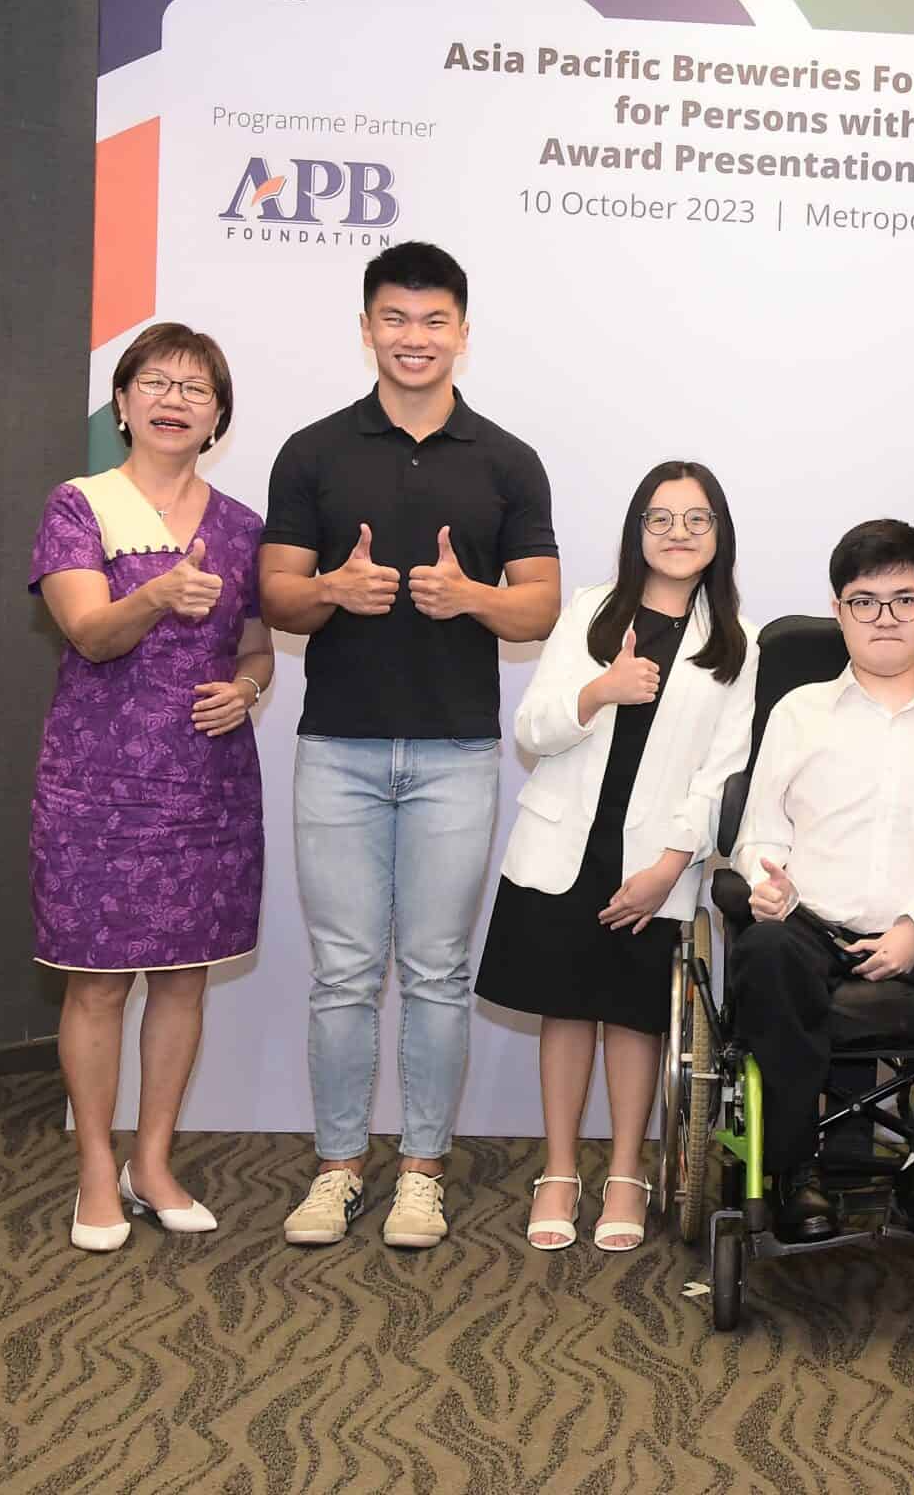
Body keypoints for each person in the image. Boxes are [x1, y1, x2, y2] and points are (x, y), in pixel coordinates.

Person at [259, 241, 562, 1249]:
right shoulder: (312, 450)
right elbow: (275, 592)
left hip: (455, 755)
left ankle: (422, 1172)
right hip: (337, 751)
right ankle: (339, 1167)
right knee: (344, 973)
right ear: (366, 330)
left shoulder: (507, 460)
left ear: (462, 335)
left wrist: (469, 596)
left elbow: (540, 610)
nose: (414, 337)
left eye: (434, 321)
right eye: (396, 318)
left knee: (434, 972)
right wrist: (330, 594)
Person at [30, 322, 270, 1252]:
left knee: (181, 979)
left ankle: (154, 1160)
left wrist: (247, 688)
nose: (174, 400)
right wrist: (159, 595)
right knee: (95, 985)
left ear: (217, 417)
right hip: (97, 782)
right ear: (124, 402)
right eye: (157, 382)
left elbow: (255, 645)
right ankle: (96, 1164)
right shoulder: (80, 505)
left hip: (206, 784)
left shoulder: (243, 527)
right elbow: (90, 633)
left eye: (196, 389)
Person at [476, 462, 756, 1253]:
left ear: (718, 537)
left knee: (637, 1020)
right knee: (564, 1011)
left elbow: (724, 774)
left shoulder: (737, 642)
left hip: (655, 862)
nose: (678, 534)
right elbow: (533, 728)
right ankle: (560, 1172)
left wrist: (671, 868)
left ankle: (628, 1171)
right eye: (660, 519)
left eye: (696, 520)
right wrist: (603, 688)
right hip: (568, 844)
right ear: (637, 532)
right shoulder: (592, 613)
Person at [727, 520, 914, 1246]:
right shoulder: (798, 713)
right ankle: (796, 1173)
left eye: (904, 599)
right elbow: (759, 832)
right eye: (865, 601)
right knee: (763, 955)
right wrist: (762, 882)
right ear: (839, 611)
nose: (885, 618)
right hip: (811, 929)